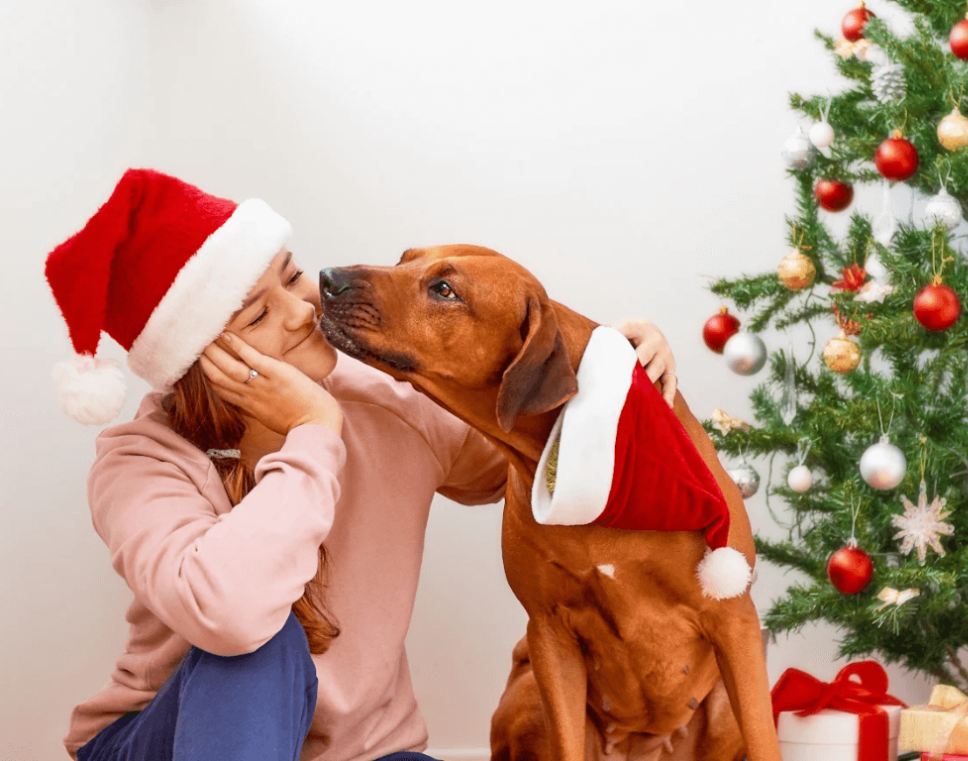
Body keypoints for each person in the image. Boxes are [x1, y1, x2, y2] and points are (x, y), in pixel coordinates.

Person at [45, 168, 680, 761]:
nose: (302, 311)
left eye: (292, 278)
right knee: (265, 647)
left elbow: (534, 463)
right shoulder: (142, 462)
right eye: (259, 315)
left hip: (364, 750)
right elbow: (231, 615)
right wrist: (312, 433)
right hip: (170, 739)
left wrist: (612, 369)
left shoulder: (388, 400)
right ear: (196, 361)